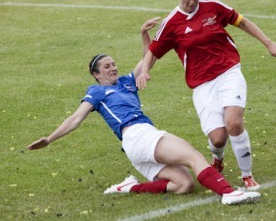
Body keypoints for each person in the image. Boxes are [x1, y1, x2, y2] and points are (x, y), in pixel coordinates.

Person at [27, 17, 261, 205]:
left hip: (137, 145)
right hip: (137, 136)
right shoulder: (96, 92)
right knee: (194, 156)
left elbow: (148, 58)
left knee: (184, 185)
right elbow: (75, 119)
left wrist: (143, 34)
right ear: (96, 75)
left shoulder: (128, 81)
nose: (113, 68)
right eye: (106, 67)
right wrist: (49, 139)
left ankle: (130, 187)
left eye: (113, 64)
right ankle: (229, 193)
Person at [136, 0, 276, 191]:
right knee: (218, 139)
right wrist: (145, 71)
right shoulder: (172, 23)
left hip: (228, 72)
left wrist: (269, 43)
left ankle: (247, 176)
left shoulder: (213, 7)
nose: (191, 1)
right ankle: (218, 159)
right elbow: (154, 51)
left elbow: (243, 22)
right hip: (201, 84)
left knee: (234, 123)